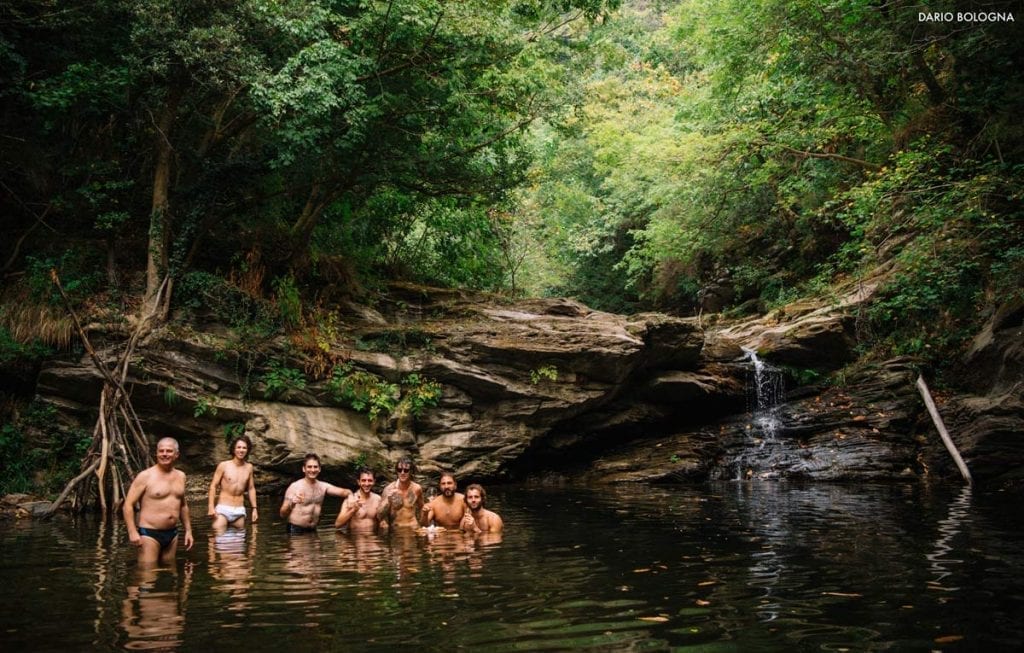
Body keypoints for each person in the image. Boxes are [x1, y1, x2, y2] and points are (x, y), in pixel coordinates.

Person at [123, 437, 194, 566]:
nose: (164, 454)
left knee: (170, 573)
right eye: (161, 451)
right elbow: (128, 504)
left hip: (172, 534)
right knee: (146, 575)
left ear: (176, 454)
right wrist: (132, 532)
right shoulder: (145, 476)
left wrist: (188, 530)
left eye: (169, 451)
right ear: (156, 453)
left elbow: (182, 505)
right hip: (149, 533)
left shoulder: (181, 476)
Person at [279, 452, 351, 534]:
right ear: (304, 469)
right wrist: (291, 504)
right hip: (295, 530)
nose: (312, 470)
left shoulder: (323, 486)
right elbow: (282, 514)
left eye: (315, 467)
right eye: (309, 467)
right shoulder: (295, 487)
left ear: (319, 469)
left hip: (313, 530)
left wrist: (350, 497)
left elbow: (345, 492)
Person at [207, 435, 258, 531]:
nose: (241, 450)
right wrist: (211, 507)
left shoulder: (249, 467)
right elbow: (213, 486)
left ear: (247, 450)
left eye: (244, 448)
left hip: (239, 511)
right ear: (234, 449)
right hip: (223, 509)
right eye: (239, 447)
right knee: (218, 538)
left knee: (238, 544)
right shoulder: (224, 465)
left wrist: (254, 508)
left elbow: (251, 488)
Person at [377, 458, 424, 530]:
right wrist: (388, 499)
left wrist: (421, 525)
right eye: (399, 470)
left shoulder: (417, 488)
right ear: (397, 471)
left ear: (411, 472)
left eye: (406, 470)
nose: (402, 473)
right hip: (396, 530)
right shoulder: (389, 489)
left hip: (413, 528)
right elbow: (379, 516)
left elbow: (422, 508)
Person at [334, 468, 386, 533]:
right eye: (363, 480)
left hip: (373, 539)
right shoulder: (351, 500)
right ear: (358, 482)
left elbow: (383, 521)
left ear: (374, 481)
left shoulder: (378, 499)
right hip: (356, 539)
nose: (367, 484)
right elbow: (337, 524)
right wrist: (353, 510)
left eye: (370, 480)